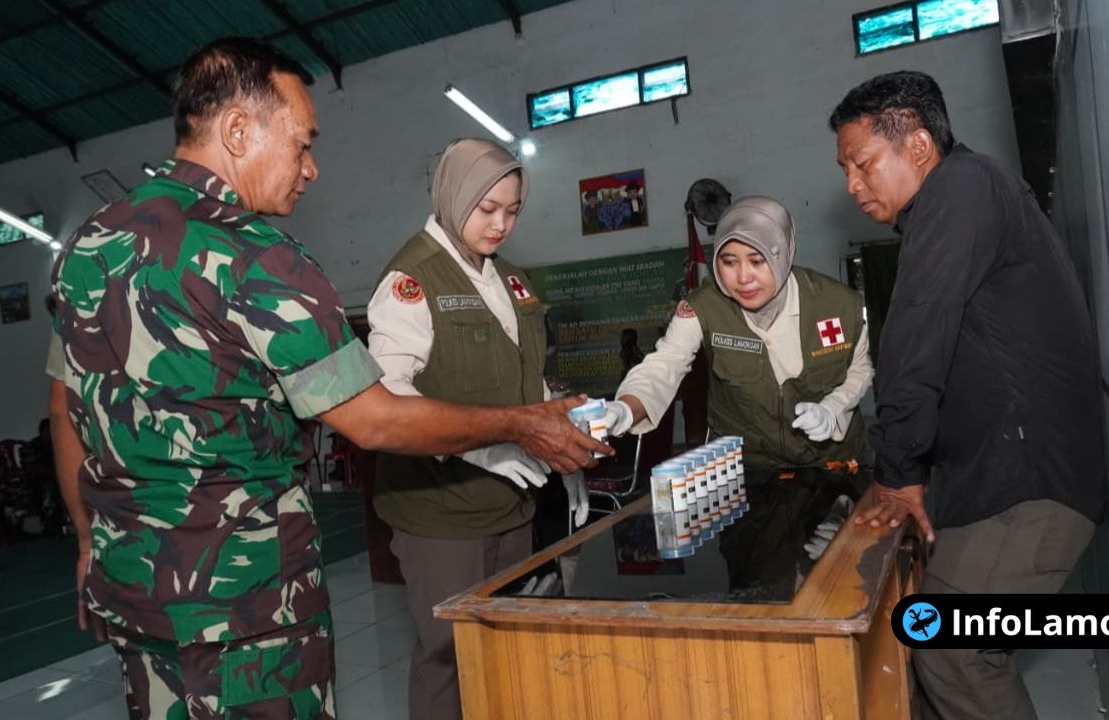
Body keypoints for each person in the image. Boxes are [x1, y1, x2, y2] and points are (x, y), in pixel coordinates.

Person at [45, 39, 607, 720]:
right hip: (249, 606)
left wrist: (87, 543)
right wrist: (522, 423)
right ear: (238, 130)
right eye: (302, 143)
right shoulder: (258, 256)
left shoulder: (92, 245)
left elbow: (67, 403)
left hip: (133, 586)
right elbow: (374, 421)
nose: (311, 168)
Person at [829, 70, 1107, 720]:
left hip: (1024, 489)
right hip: (997, 484)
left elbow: (912, 341)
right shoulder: (967, 197)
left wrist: (897, 474)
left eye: (863, 164)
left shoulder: (960, 187)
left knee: (955, 654)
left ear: (919, 146)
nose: (851, 185)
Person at [365, 137, 590, 720]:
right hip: (439, 513)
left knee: (502, 648)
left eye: (513, 211)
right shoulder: (411, 279)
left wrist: (562, 445)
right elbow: (387, 396)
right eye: (487, 208)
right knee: (446, 657)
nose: (501, 224)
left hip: (511, 504)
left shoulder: (511, 279)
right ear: (452, 195)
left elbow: (527, 379)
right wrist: (478, 450)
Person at [607, 195, 875, 478]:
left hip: (831, 464)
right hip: (749, 470)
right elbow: (665, 364)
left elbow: (860, 370)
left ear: (783, 254)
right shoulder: (705, 307)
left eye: (757, 261)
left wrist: (833, 409)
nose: (743, 277)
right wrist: (625, 408)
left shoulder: (838, 305)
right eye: (729, 261)